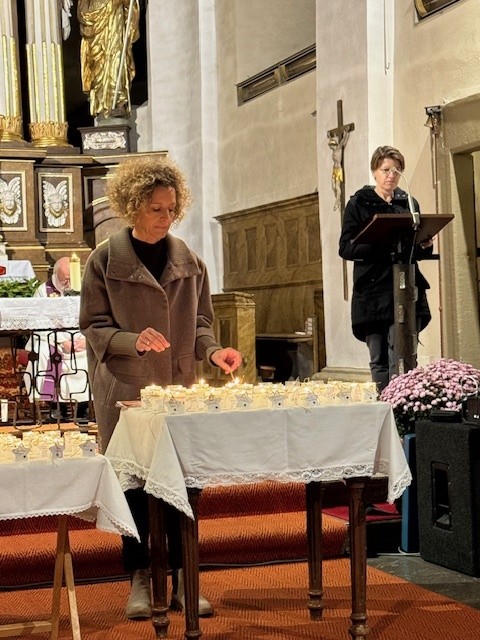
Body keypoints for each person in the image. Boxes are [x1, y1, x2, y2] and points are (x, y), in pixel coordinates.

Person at [79, 155, 243, 620]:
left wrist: (214, 352)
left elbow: (202, 324)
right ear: (133, 206)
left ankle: (185, 578)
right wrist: (132, 340)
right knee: (133, 488)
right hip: (125, 389)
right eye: (156, 209)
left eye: (171, 208)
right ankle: (139, 577)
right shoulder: (104, 261)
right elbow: (93, 325)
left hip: (177, 389)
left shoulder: (191, 263)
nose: (166, 217)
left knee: (182, 486)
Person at [339, 145, 433, 392]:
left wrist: (424, 244)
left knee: (401, 354)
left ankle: (402, 406)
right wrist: (377, 240)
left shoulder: (408, 203)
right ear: (374, 171)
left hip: (403, 287)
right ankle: (384, 405)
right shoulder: (359, 203)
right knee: (379, 357)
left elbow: (414, 250)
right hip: (373, 290)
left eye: (397, 170)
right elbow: (345, 248)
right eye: (386, 169)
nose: (391, 175)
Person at [25, 257, 90, 421]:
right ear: (55, 275)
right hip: (53, 339)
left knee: (95, 352)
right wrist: (62, 341)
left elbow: (93, 316)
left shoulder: (85, 288)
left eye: (71, 278)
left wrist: (86, 339)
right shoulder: (43, 292)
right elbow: (38, 321)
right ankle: (56, 406)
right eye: (64, 279)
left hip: (81, 338)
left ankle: (84, 407)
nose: (68, 283)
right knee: (43, 353)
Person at [77, 0, 140, 119]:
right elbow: (83, 11)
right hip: (96, 30)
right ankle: (101, 106)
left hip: (115, 22)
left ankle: (118, 101)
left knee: (117, 59)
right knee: (98, 66)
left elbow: (130, 8)